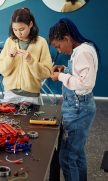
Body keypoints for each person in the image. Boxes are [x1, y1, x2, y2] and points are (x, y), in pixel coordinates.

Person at [49, 18, 99, 181]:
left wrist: (61, 76)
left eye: (58, 46)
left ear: (66, 39)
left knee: (67, 157)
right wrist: (65, 69)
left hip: (79, 109)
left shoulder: (83, 51)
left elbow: (85, 83)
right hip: (79, 107)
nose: (60, 50)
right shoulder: (81, 50)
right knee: (77, 154)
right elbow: (80, 74)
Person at [0, 7, 52, 105]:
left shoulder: (41, 42)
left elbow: (46, 73)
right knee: (6, 120)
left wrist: (31, 61)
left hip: (31, 96)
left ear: (30, 24)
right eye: (15, 29)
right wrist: (10, 58)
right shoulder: (10, 41)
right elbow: (1, 70)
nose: (18, 33)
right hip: (10, 94)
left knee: (27, 120)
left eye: (22, 29)